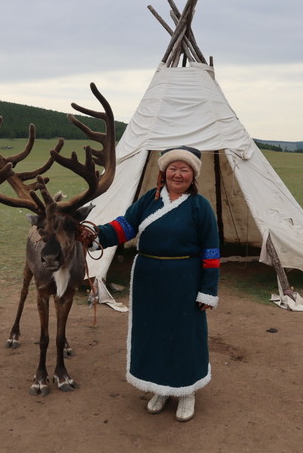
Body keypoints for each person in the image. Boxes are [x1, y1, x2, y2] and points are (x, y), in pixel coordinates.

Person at [90, 146, 220, 422]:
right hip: (149, 279)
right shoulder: (149, 200)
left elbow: (211, 252)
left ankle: (186, 390)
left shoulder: (200, 206)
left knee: (185, 334)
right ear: (164, 171)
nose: (178, 174)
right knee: (153, 332)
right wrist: (95, 234)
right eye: (173, 168)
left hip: (186, 278)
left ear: (192, 175)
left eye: (184, 169)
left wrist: (207, 290)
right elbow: (126, 226)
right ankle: (160, 386)